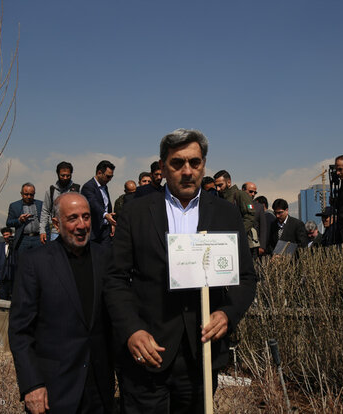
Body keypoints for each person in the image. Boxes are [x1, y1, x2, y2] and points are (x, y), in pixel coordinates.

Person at [104, 128, 257, 413]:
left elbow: (246, 278)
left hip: (202, 355)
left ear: (203, 165)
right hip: (148, 354)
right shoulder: (135, 213)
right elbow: (115, 279)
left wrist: (227, 313)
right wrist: (131, 330)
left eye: (195, 163)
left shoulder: (226, 213)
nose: (187, 171)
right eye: (178, 163)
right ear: (163, 167)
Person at [9, 192, 115, 414]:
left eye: (86, 217)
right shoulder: (35, 263)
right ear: (56, 223)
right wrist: (32, 385)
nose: (81, 225)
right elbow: (20, 332)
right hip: (54, 390)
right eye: (73, 218)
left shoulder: (106, 257)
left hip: (99, 390)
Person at [39, 161, 81, 244]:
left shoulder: (77, 190)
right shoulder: (51, 191)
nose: (65, 178)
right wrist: (42, 230)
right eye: (62, 175)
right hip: (55, 231)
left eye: (68, 175)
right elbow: (45, 211)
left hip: (73, 230)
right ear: (58, 174)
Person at [213, 170, 256, 246]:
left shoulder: (240, 195)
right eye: (216, 186)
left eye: (220, 185)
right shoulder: (218, 198)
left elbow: (250, 217)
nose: (218, 189)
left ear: (228, 182)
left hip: (240, 241)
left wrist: (237, 232)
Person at [81, 160, 116, 244]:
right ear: (99, 173)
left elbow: (107, 206)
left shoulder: (104, 187)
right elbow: (93, 204)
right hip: (94, 231)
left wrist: (111, 223)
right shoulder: (88, 187)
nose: (110, 179)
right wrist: (105, 215)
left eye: (111, 177)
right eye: (108, 176)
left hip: (105, 231)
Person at [7, 183, 43, 252]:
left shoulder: (40, 204)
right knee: (22, 261)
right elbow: (8, 223)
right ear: (21, 194)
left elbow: (45, 222)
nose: (29, 197)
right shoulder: (14, 206)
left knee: (39, 261)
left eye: (31, 194)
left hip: (38, 238)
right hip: (23, 239)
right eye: (26, 194)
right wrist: (19, 220)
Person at [242, 182, 267, 257]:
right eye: (250, 191)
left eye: (255, 192)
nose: (253, 194)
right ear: (243, 190)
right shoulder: (235, 204)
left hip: (254, 246)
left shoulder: (259, 207)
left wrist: (262, 246)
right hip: (240, 243)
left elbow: (263, 227)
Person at [0, 227, 14, 300]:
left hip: (12, 275)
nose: (5, 237)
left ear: (11, 234)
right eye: (4, 235)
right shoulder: (0, 246)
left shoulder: (15, 246)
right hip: (2, 275)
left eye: (7, 235)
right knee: (2, 295)